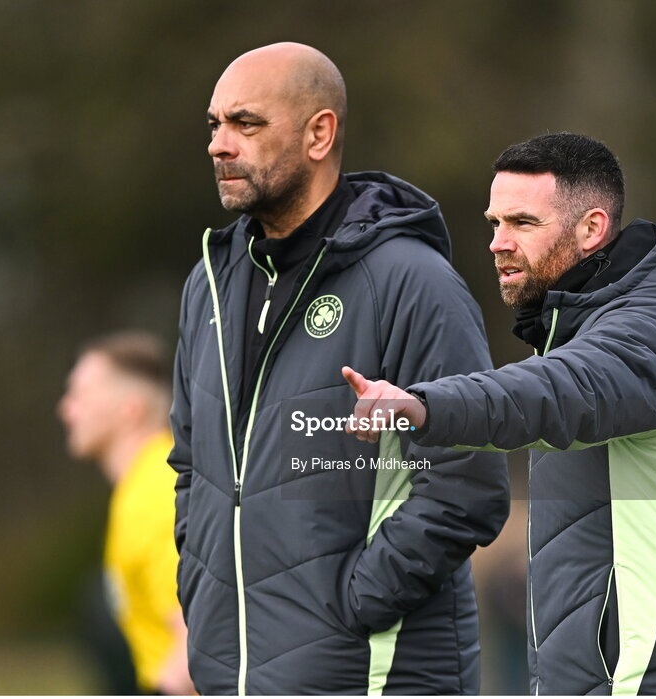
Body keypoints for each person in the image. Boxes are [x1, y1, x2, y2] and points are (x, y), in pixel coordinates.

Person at [343, 133, 656, 695]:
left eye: (522, 223)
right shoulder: (575, 332)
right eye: (494, 223)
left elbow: (558, 393)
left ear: (591, 228)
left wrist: (422, 404)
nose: (497, 242)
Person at [169, 42, 509, 694]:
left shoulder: (412, 282)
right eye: (214, 124)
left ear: (319, 133)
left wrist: (353, 602)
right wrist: (203, 587)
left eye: (246, 123)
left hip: (372, 675)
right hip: (231, 674)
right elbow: (193, 466)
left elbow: (468, 482)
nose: (219, 144)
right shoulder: (206, 285)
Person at [58, 331, 194, 695]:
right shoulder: (141, 488)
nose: (66, 409)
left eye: (80, 394)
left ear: (130, 408)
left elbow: (197, 644)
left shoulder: (156, 493)